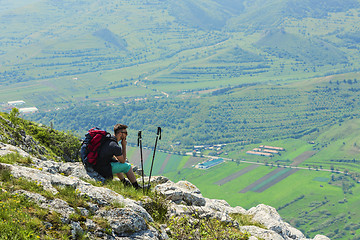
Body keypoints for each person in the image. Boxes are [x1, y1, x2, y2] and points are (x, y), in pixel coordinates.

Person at [93, 124, 146, 189]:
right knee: (128, 166)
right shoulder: (115, 146)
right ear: (120, 134)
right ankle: (137, 187)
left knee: (117, 163)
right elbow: (123, 161)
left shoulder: (108, 139)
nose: (127, 135)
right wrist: (124, 146)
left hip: (96, 165)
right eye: (125, 133)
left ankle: (125, 182)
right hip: (103, 169)